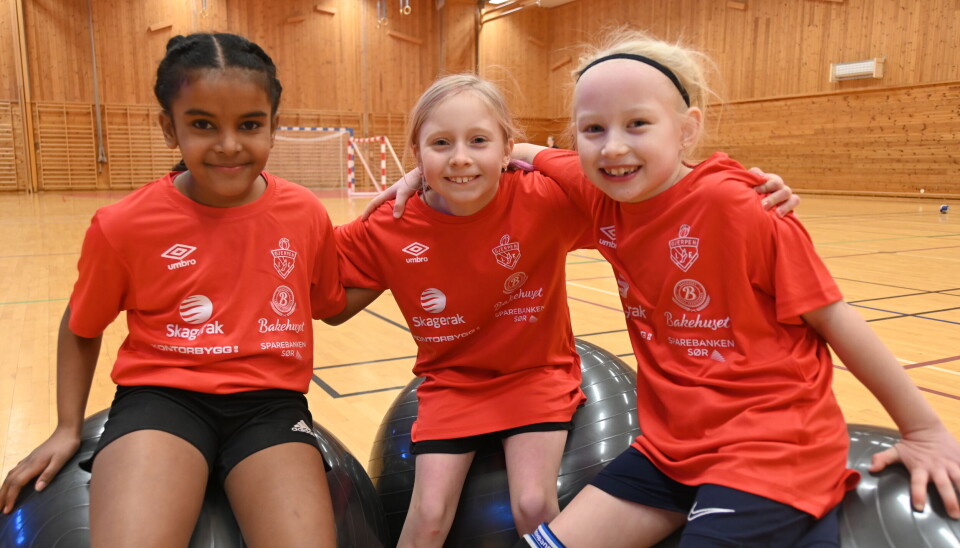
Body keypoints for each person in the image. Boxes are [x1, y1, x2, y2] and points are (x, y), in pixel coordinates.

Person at [504, 29, 960, 547]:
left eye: (637, 124)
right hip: (672, 450)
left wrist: (924, 431)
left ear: (687, 129)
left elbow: (836, 318)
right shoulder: (600, 193)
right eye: (592, 128)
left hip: (769, 448)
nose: (613, 146)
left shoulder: (741, 206)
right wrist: (454, 166)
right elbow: (528, 153)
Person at [338, 74, 798, 547]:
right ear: (416, 152)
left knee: (533, 504)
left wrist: (743, 191)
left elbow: (651, 191)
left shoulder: (542, 199)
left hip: (536, 374)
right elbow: (316, 271)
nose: (459, 157)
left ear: (506, 148)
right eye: (440, 143)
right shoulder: (392, 220)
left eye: (478, 140)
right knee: (428, 514)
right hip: (452, 382)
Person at [0, 33, 346, 548]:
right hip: (161, 401)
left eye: (249, 125)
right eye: (203, 124)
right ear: (169, 128)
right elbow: (81, 325)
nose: (228, 144)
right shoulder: (124, 224)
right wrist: (66, 427)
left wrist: (409, 247)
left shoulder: (305, 213)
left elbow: (330, 304)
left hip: (270, 407)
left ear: (274, 126)